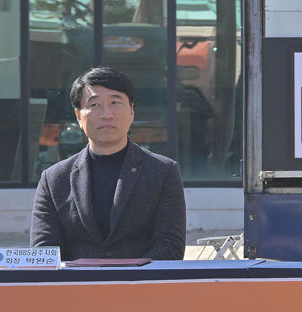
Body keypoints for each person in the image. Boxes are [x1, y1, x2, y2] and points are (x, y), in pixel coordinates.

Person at [30, 66, 186, 260]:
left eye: (115, 102)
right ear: (78, 116)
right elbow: (43, 252)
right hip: (76, 279)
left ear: (131, 111)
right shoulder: (54, 179)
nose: (106, 114)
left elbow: (170, 247)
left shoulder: (163, 172)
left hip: (141, 279)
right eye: (95, 104)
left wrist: (126, 275)